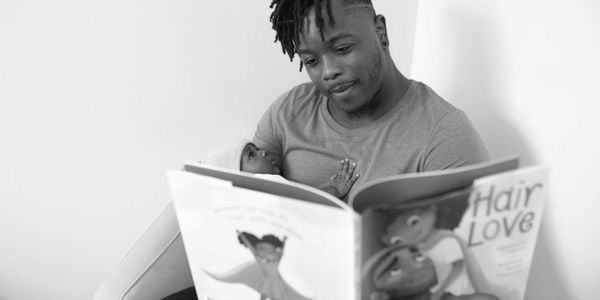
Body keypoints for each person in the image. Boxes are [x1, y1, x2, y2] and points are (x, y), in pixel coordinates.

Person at [254, 0, 489, 201]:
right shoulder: (288, 112)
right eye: (312, 61)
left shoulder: (445, 135)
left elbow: (463, 246)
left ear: (381, 33)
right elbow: (246, 203)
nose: (328, 72)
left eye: (342, 49)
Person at [203, 139, 360, 199]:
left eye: (256, 148)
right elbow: (309, 201)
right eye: (251, 155)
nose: (263, 152)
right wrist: (336, 188)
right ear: (237, 179)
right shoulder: (265, 183)